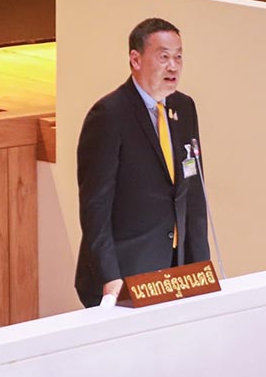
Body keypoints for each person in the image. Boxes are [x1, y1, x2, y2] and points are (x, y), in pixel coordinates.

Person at [75, 17, 210, 307]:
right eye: (163, 57)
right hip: (126, 272)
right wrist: (110, 276)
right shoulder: (109, 115)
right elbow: (95, 207)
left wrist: (201, 267)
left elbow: (193, 194)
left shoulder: (183, 107)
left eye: (178, 57)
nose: (173, 66)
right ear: (135, 59)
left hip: (176, 269)